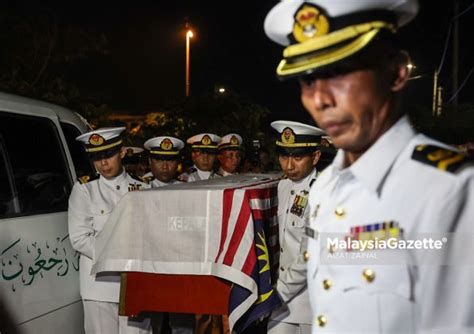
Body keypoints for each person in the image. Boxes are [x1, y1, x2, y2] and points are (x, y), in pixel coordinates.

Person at [264, 0, 474, 333]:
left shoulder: (448, 190)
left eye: (340, 73)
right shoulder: (325, 189)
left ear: (397, 72)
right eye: (307, 80)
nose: (320, 100)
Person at [68, 127, 151, 334]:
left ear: (122, 152)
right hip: (99, 286)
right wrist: (119, 253)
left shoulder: (143, 188)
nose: (103, 163)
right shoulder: (85, 189)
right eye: (96, 157)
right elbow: (79, 238)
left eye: (108, 155)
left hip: (136, 284)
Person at [268, 121, 324, 334]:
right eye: (284, 156)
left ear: (316, 157)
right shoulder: (283, 186)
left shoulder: (323, 194)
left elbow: (309, 256)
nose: (289, 165)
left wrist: (277, 293)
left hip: (312, 302)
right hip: (282, 305)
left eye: (297, 157)